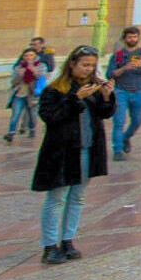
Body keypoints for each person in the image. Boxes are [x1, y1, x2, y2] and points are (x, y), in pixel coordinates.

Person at [31, 46, 115, 266]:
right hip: (62, 152)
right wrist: (75, 99)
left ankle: (68, 240)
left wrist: (106, 97)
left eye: (91, 66)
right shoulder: (54, 90)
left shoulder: (93, 87)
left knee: (78, 197)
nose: (88, 70)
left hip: (87, 150)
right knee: (57, 198)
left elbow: (104, 114)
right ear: (72, 64)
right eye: (84, 65)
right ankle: (49, 246)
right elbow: (50, 116)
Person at [105, 27, 141, 161]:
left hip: (138, 91)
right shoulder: (117, 56)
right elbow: (110, 74)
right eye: (129, 37)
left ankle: (126, 137)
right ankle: (117, 150)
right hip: (121, 91)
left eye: (134, 37)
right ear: (124, 39)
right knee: (119, 122)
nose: (132, 39)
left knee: (137, 121)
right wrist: (124, 68)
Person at [4, 47, 46, 143]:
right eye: (26, 55)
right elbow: (13, 82)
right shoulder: (19, 67)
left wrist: (34, 71)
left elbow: (42, 78)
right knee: (16, 114)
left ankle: (32, 129)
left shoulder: (40, 66)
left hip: (32, 94)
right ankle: (11, 132)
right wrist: (19, 75)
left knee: (32, 114)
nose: (28, 57)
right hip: (19, 94)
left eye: (31, 55)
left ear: (35, 56)